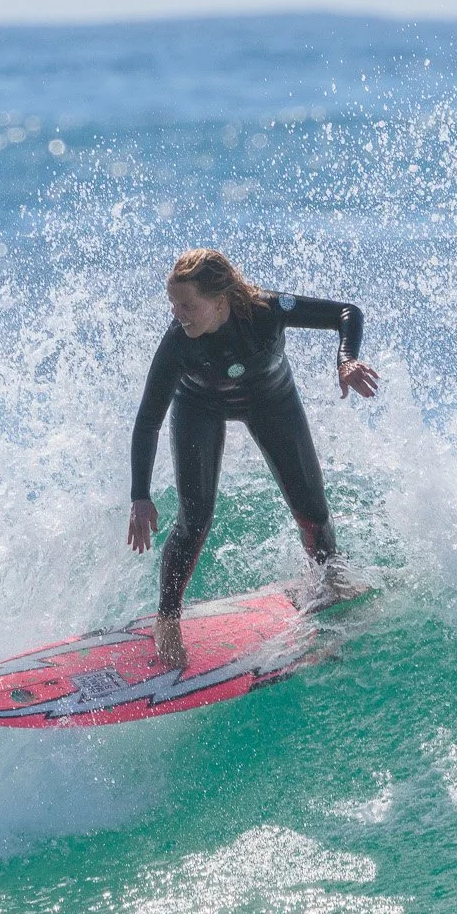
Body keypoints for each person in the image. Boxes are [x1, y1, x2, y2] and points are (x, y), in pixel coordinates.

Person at [127, 249, 379, 668]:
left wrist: (346, 359)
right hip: (199, 407)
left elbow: (346, 313)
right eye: (173, 304)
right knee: (194, 520)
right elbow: (148, 421)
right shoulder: (177, 344)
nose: (178, 315)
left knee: (313, 514)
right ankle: (167, 620)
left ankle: (329, 582)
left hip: (271, 400)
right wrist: (140, 494)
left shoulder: (265, 311)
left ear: (220, 299)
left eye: (187, 305)